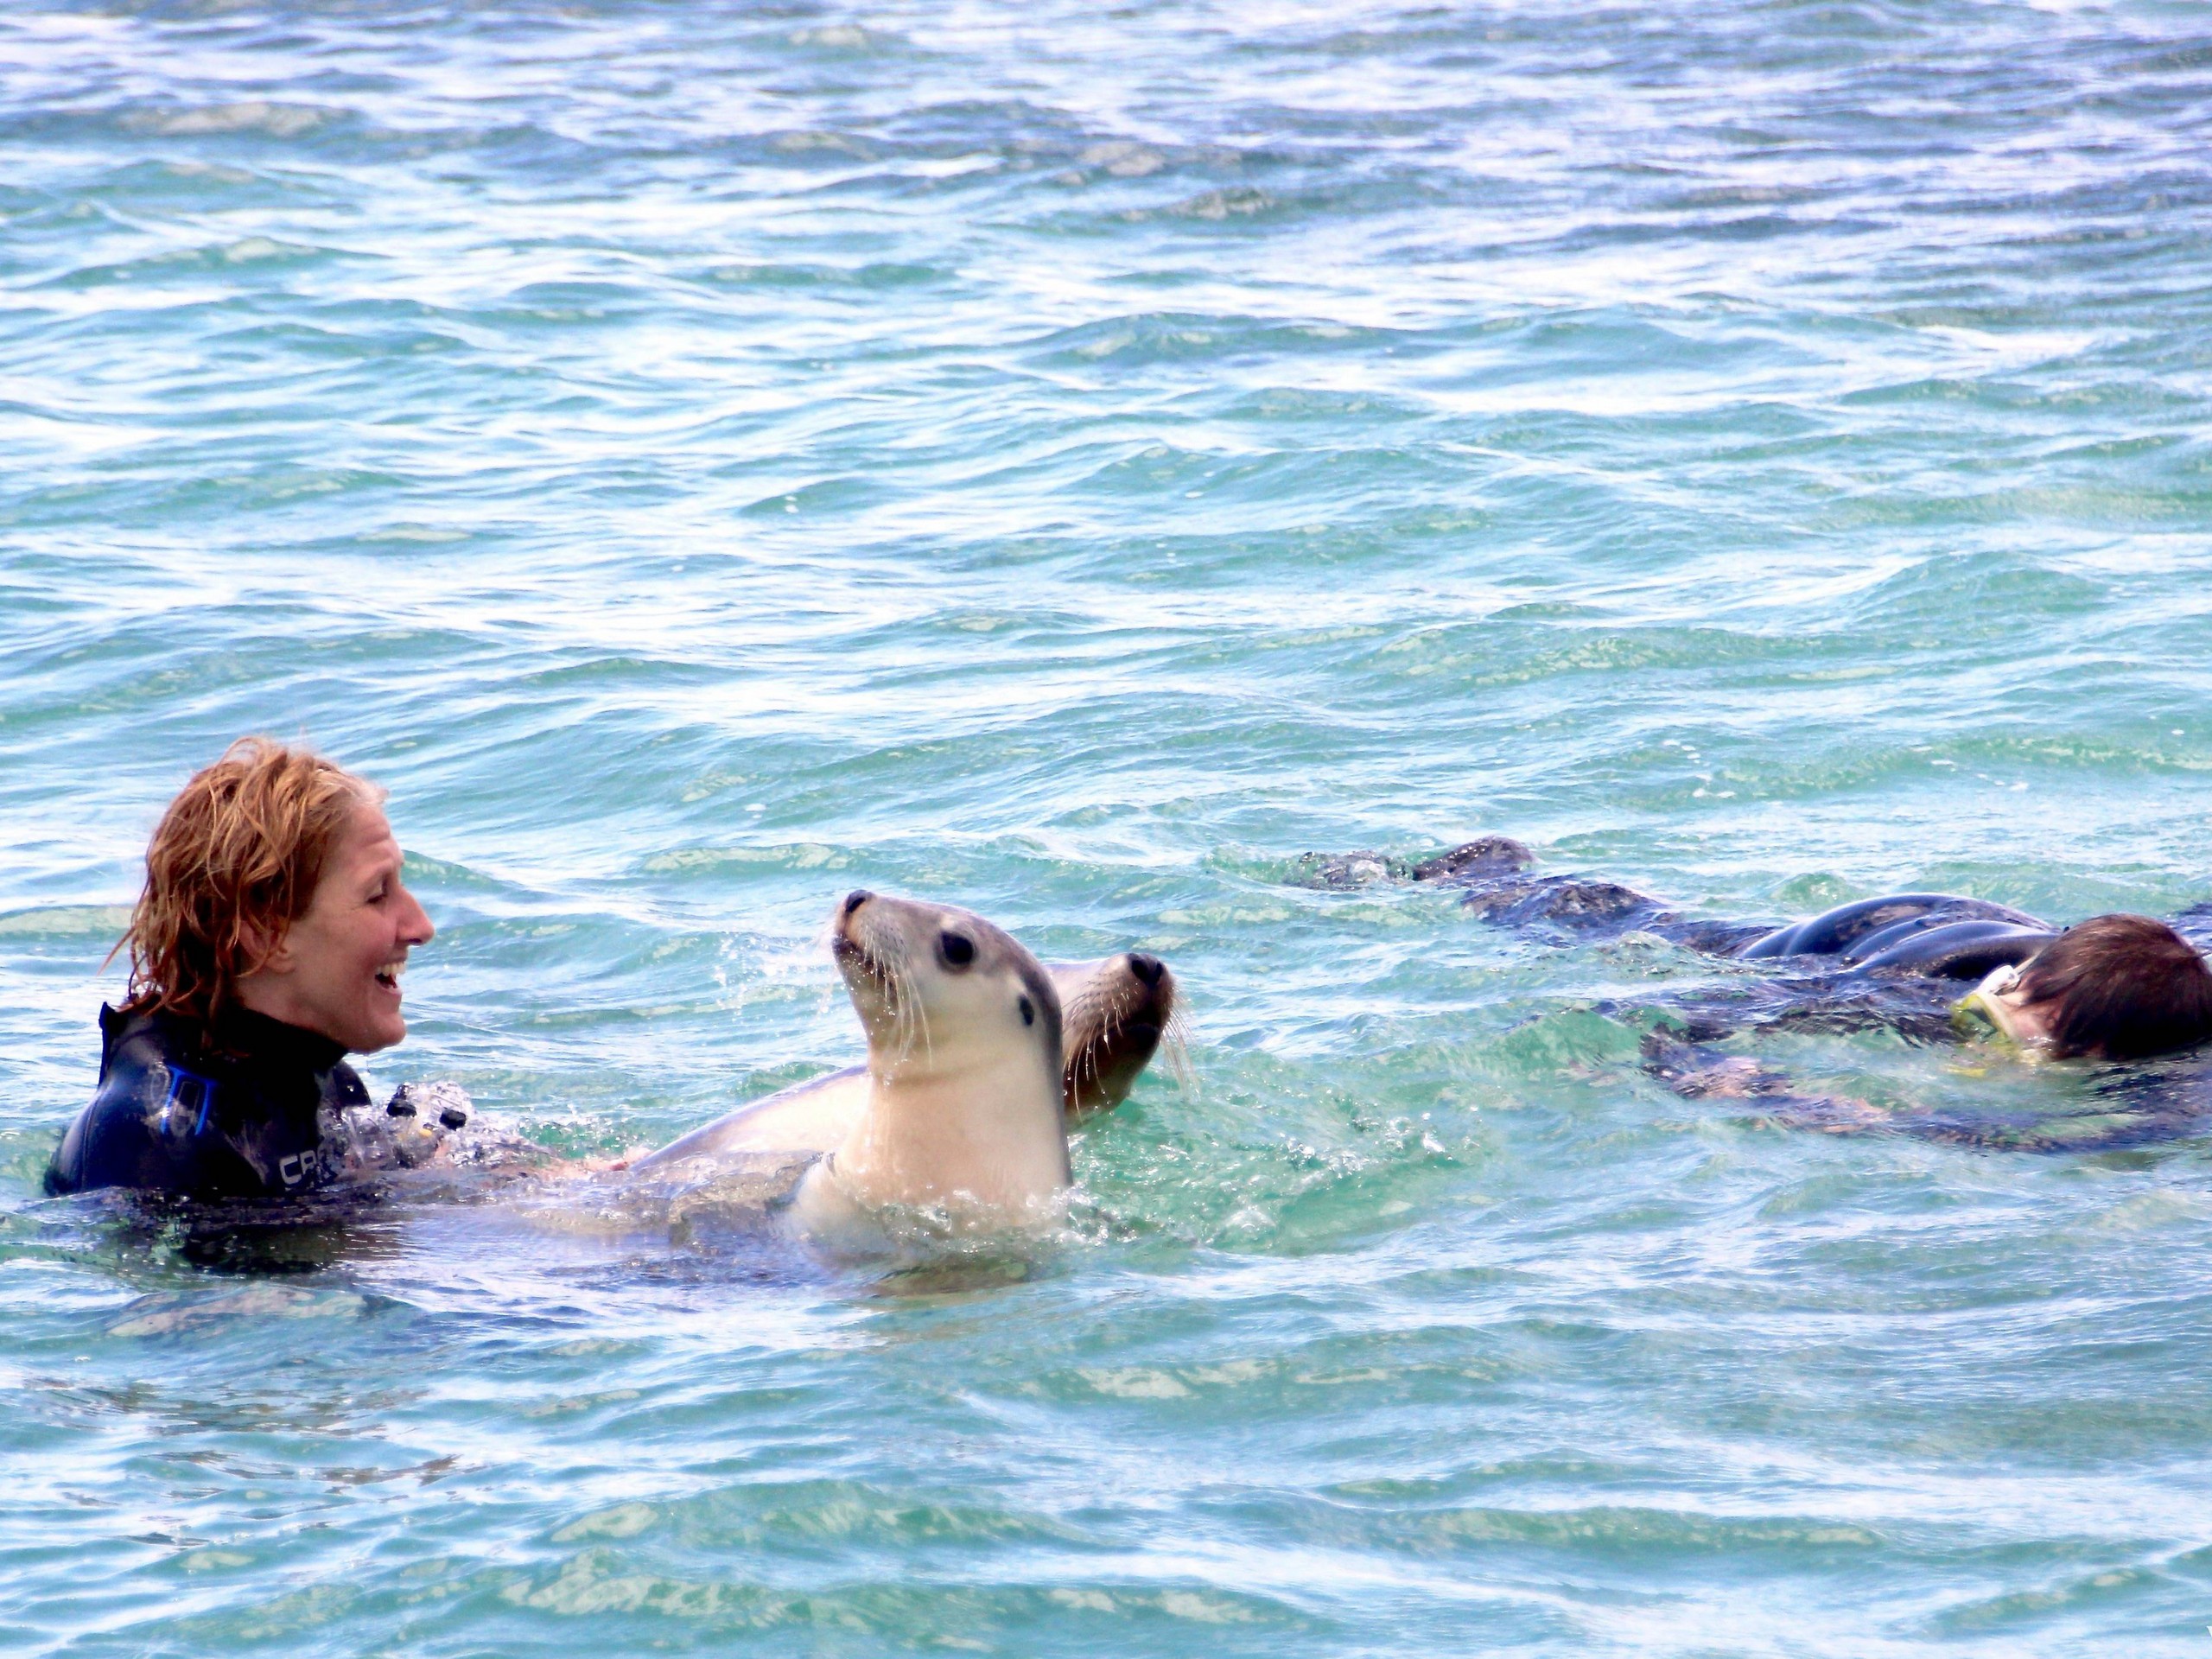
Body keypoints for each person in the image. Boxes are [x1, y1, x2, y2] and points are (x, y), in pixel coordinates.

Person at [45, 737, 450, 1201]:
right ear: (266, 934)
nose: (421, 926)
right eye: (377, 893)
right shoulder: (157, 1141)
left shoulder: (332, 1088)